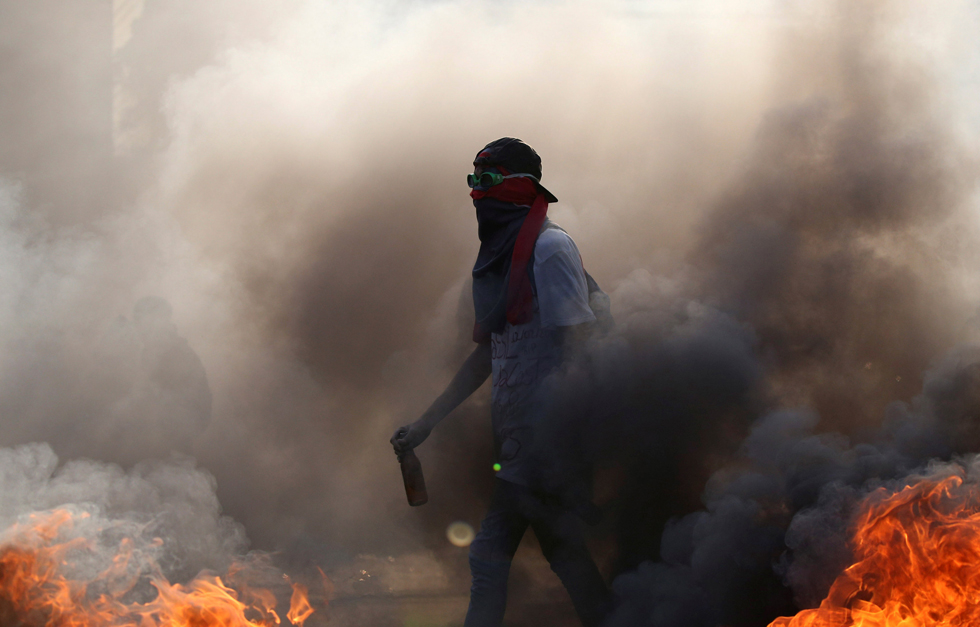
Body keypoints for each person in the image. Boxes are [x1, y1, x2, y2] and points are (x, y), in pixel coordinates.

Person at [390, 138, 611, 627]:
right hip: (516, 444)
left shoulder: (551, 249)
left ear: (520, 186)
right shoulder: (500, 261)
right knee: (566, 558)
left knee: (488, 555)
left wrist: (571, 454)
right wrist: (426, 425)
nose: (477, 195)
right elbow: (488, 358)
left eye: (487, 181)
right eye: (473, 182)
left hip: (543, 447)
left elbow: (580, 351)